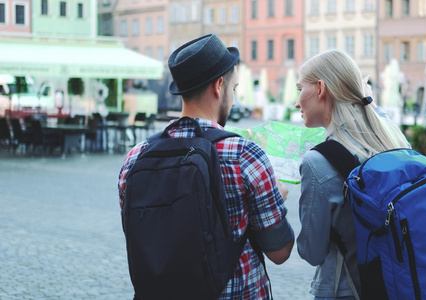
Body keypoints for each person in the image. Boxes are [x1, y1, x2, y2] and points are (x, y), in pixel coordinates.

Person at [118, 34, 295, 299]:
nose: (234, 101)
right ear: (219, 86)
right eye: (233, 90)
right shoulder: (245, 155)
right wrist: (277, 199)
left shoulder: (135, 159)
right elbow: (280, 252)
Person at [295, 49, 410, 300]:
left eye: (299, 88)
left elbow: (311, 251)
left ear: (321, 89)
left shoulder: (317, 162)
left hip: (349, 289)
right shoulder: (390, 135)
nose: (296, 102)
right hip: (401, 282)